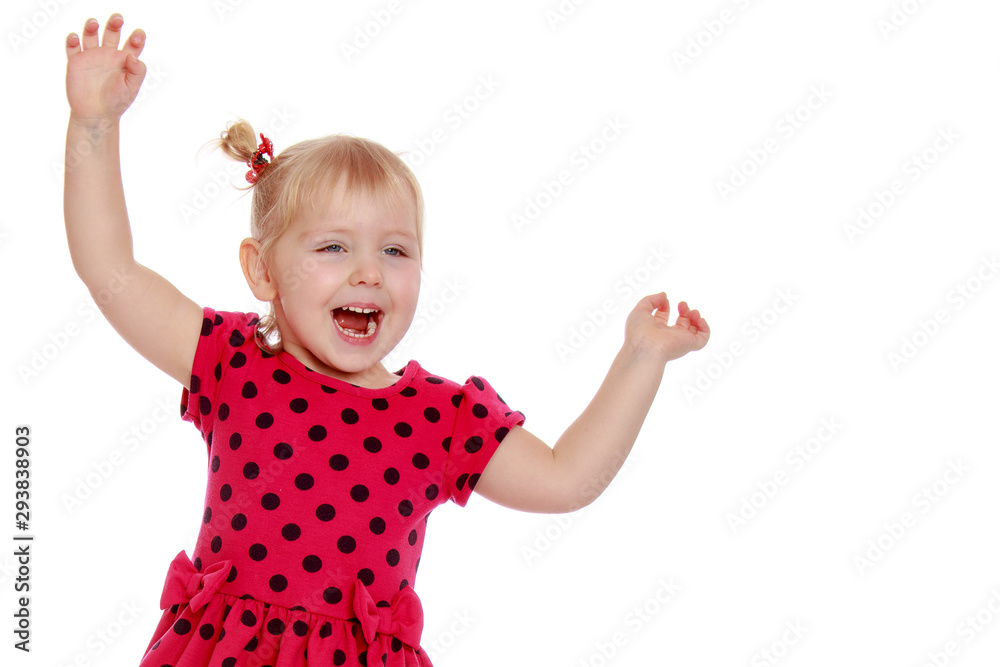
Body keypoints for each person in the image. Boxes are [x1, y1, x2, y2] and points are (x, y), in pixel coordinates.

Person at [63, 13, 710, 667]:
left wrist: (643, 357)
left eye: (395, 250)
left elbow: (567, 479)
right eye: (333, 247)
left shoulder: (441, 418)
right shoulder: (233, 362)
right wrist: (94, 122)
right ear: (263, 271)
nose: (369, 272)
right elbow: (110, 270)